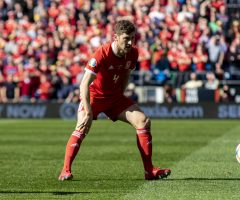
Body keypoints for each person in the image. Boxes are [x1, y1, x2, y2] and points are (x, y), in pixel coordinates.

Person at [58, 20, 171, 181]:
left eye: (133, 37)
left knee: (143, 121)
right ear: (115, 37)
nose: (130, 42)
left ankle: (149, 171)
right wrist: (88, 110)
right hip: (95, 96)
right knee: (82, 125)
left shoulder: (133, 53)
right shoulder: (101, 53)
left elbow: (126, 74)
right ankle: (65, 170)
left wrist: (120, 96)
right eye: (126, 38)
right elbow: (84, 84)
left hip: (115, 97)